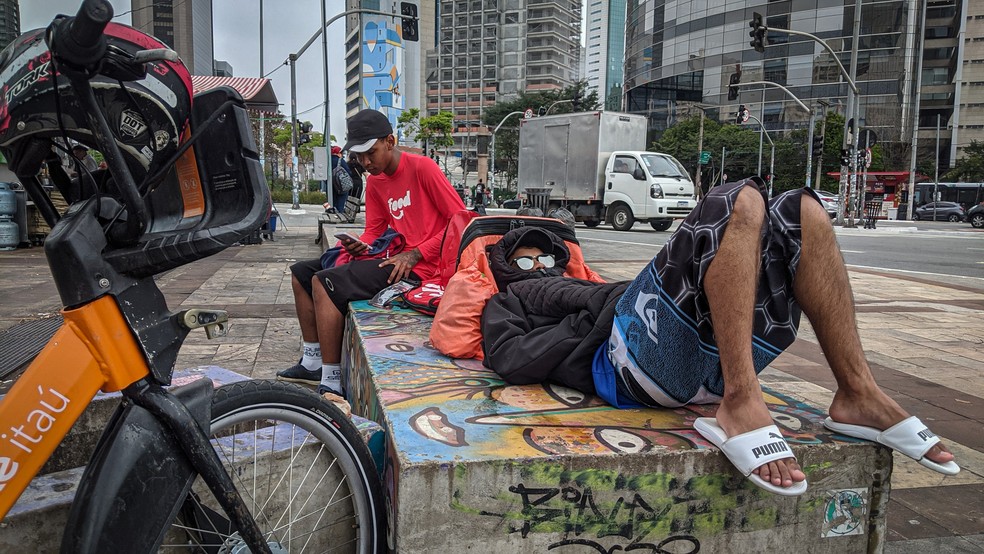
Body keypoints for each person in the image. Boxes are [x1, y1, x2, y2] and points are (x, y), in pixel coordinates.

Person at [481, 177, 959, 496]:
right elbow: (511, 357)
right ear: (505, 269)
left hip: (692, 359)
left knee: (803, 211)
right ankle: (741, 398)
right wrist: (583, 320)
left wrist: (595, 294)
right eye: (524, 262)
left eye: (546, 260)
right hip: (630, 364)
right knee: (737, 198)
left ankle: (858, 393)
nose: (539, 267)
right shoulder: (507, 299)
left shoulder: (581, 280)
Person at [277, 109, 466, 399]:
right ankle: (312, 360)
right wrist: (359, 245)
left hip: (424, 268)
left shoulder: (422, 168)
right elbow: (374, 231)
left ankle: (331, 380)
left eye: (371, 153)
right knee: (301, 273)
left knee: (324, 283)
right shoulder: (375, 181)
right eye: (359, 156)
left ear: (390, 141)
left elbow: (461, 222)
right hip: (394, 258)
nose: (365, 162)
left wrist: (416, 254)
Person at [329, 146, 352, 214]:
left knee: (333, 202)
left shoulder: (328, 161)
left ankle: (334, 213)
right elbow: (348, 172)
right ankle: (339, 214)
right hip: (340, 185)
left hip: (331, 186)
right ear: (338, 153)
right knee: (341, 202)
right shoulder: (340, 160)